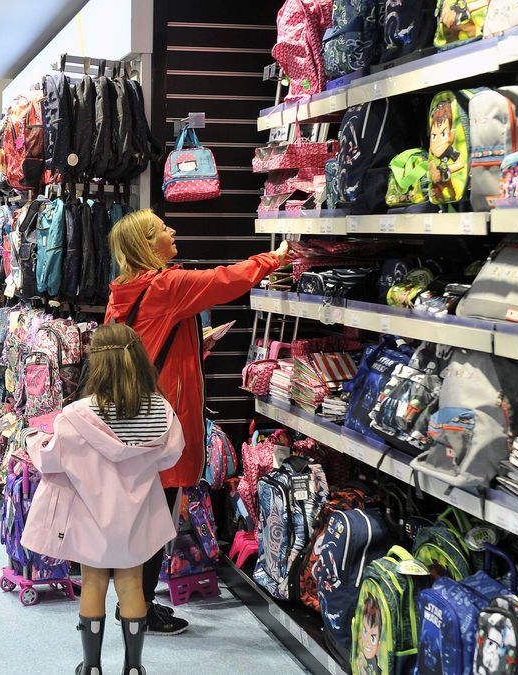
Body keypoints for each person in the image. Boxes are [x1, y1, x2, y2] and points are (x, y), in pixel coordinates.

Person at [105, 209, 288, 635]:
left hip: (136, 421)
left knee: (143, 519)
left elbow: (145, 346)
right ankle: (138, 610)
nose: (173, 231)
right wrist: (274, 258)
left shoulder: (125, 292)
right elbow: (226, 279)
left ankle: (135, 603)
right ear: (149, 246)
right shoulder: (167, 285)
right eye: (163, 229)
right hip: (162, 425)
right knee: (154, 522)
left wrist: (193, 341)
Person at [21, 323, 183, 675]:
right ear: (139, 360)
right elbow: (171, 455)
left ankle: (92, 666)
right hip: (138, 516)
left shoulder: (77, 416)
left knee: (93, 582)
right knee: (131, 583)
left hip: (91, 517)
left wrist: (31, 439)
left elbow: (50, 458)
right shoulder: (161, 412)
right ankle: (134, 667)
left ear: (97, 363)